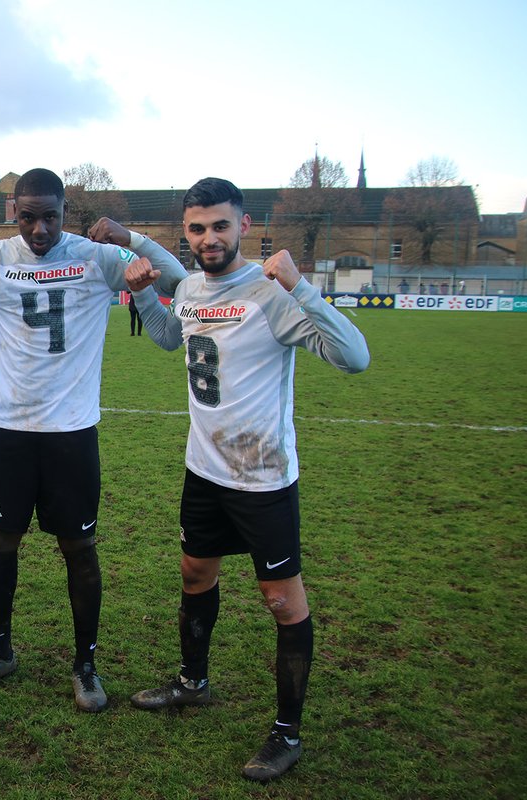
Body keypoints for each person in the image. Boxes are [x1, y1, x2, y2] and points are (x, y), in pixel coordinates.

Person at [126, 178, 369, 781]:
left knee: (282, 601)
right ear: (186, 234)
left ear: (244, 225)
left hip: (262, 477)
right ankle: (193, 681)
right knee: (194, 573)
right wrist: (143, 299)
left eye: (221, 227)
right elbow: (170, 339)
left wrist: (301, 287)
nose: (209, 238)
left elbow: (354, 357)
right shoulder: (186, 287)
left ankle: (287, 733)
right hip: (203, 468)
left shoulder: (269, 293)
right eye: (198, 229)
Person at [0, 167, 187, 712]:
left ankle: (85, 664)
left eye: (50, 216)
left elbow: (178, 283)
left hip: (71, 434)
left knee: (79, 547)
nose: (39, 229)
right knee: (0, 543)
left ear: (65, 212)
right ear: (13, 215)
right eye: (27, 217)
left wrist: (133, 240)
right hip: (8, 433)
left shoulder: (96, 257)